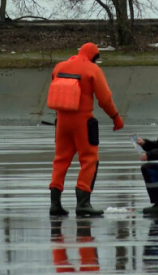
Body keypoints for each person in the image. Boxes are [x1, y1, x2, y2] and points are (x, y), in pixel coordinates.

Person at [49, 42, 124, 216]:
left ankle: (55, 204)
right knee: (89, 159)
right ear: (94, 57)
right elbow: (104, 99)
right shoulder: (92, 70)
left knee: (60, 160)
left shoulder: (59, 67)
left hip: (61, 121)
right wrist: (116, 118)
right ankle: (83, 203)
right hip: (82, 121)